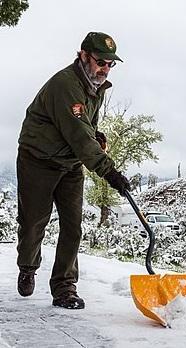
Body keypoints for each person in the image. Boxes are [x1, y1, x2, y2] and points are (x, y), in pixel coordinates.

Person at [16, 32, 130, 309]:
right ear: (83, 55)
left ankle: (64, 287)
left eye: (109, 64)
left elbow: (84, 127)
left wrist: (96, 134)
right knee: (33, 223)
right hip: (38, 160)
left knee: (72, 227)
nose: (104, 68)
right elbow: (78, 135)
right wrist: (110, 173)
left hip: (69, 164)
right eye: (100, 61)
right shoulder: (65, 85)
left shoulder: (95, 87)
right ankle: (28, 266)